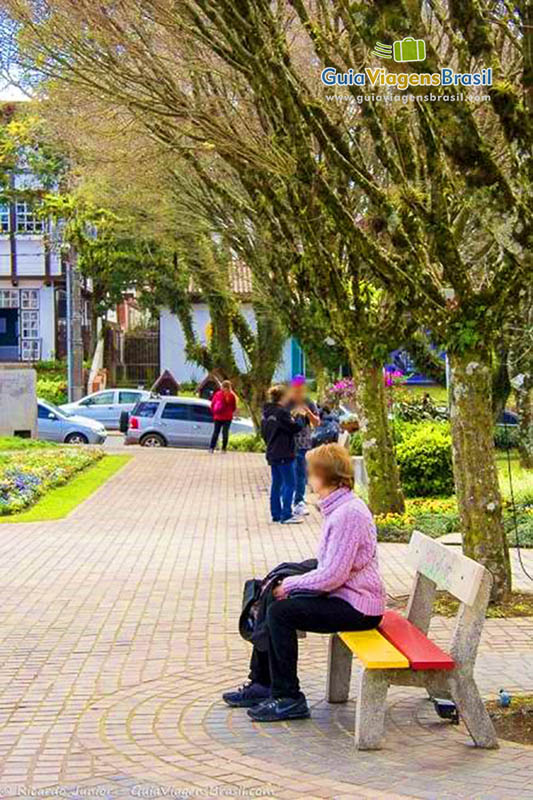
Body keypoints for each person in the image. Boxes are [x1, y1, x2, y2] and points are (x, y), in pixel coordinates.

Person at [222, 443, 386, 722]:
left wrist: (291, 586)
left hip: (358, 606)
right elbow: (329, 565)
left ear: (325, 475)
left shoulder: (348, 514)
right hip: (344, 593)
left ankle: (289, 698)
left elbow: (332, 574)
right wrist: (285, 581)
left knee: (281, 612)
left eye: (312, 472)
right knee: (270, 593)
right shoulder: (340, 507)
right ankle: (263, 682)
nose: (308, 477)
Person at [261, 384, 305, 525]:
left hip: (272, 451)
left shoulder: (266, 413)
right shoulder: (282, 413)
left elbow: (264, 433)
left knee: (276, 483)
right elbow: (295, 428)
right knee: (290, 483)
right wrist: (300, 417)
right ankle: (286, 514)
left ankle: (276, 513)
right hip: (284, 452)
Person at [287, 375, 320, 516]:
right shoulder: (287, 402)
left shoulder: (308, 402)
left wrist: (308, 412)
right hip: (288, 443)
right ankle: (287, 503)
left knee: (300, 474)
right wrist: (294, 414)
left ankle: (299, 501)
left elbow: (317, 423)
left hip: (304, 443)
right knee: (289, 474)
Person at [209, 380, 237, 453]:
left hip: (217, 417)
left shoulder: (218, 394)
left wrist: (214, 413)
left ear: (222, 386)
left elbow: (212, 405)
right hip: (227, 417)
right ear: (229, 387)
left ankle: (211, 448)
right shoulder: (231, 396)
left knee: (216, 432)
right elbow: (234, 407)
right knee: (225, 433)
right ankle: (223, 449)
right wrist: (230, 412)